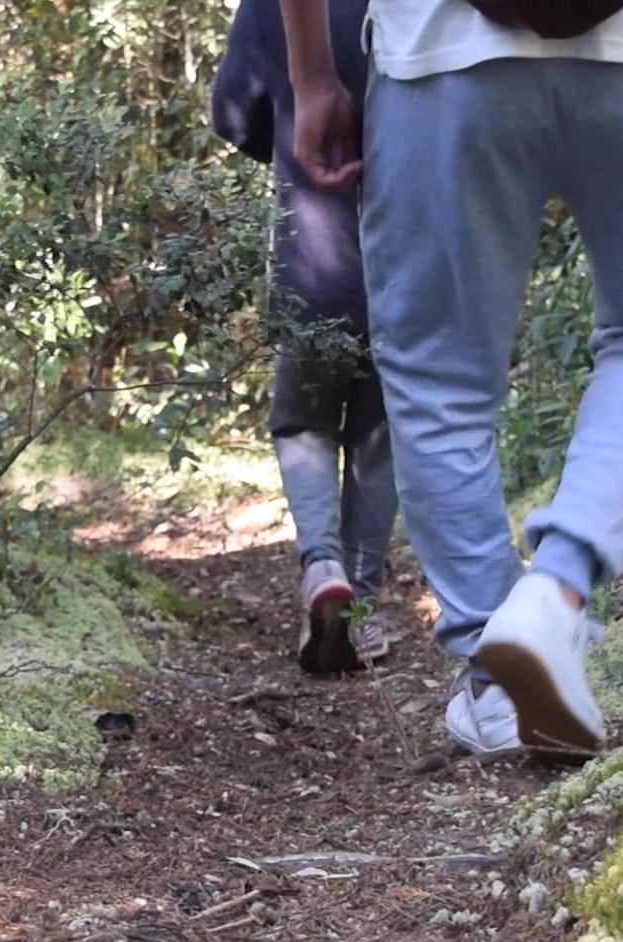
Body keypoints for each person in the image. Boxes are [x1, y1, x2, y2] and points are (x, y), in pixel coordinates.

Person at [275, 0, 623, 751]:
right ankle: (555, 591)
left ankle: (496, 682)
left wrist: (314, 76)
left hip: (438, 56)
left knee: (437, 376)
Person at [210, 0, 401, 676]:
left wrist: (294, 123)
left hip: (311, 263)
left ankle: (322, 566)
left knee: (303, 425)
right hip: (406, 272)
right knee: (381, 439)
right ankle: (365, 607)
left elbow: (232, 115)